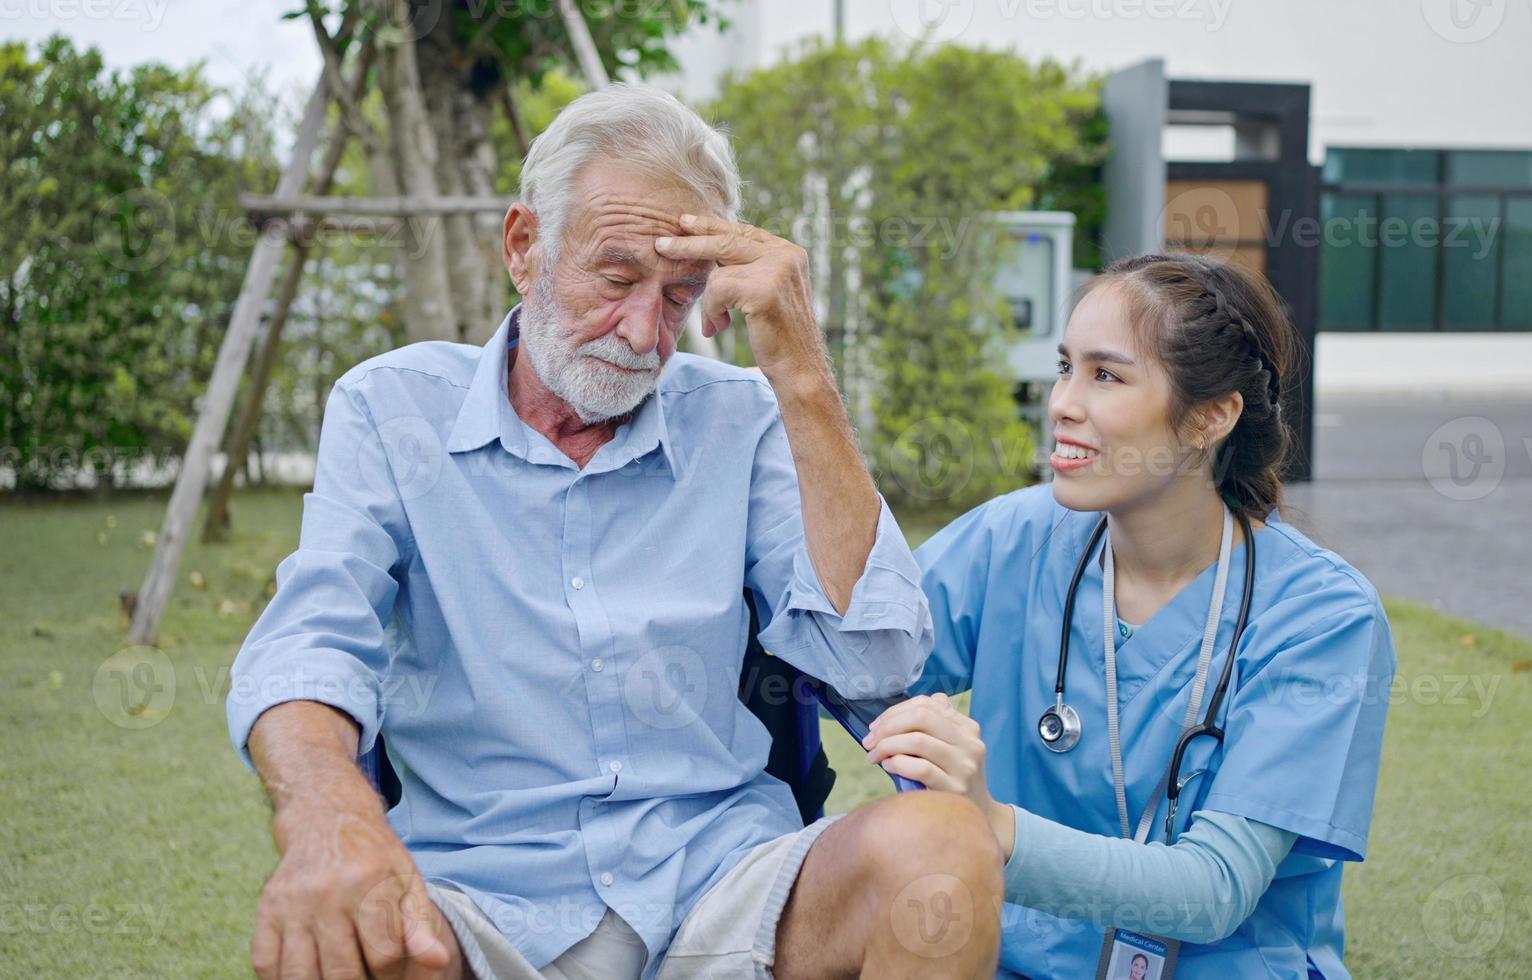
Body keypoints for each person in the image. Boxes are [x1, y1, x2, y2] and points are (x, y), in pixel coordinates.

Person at [227, 84, 1002, 980]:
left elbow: (877, 665)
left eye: (680, 295)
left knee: (941, 848)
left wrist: (801, 374)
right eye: (617, 277)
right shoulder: (390, 407)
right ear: (525, 246)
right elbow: (310, 643)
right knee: (342, 945)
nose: (643, 333)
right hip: (484, 900)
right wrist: (330, 820)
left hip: (724, 885)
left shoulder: (743, 417)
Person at [863, 253, 1396, 977]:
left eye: (1106, 375)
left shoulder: (1322, 617)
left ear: (1211, 416)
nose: (1062, 403)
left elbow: (1214, 891)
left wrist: (991, 826)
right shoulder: (1015, 538)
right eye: (1065, 367)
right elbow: (852, 655)